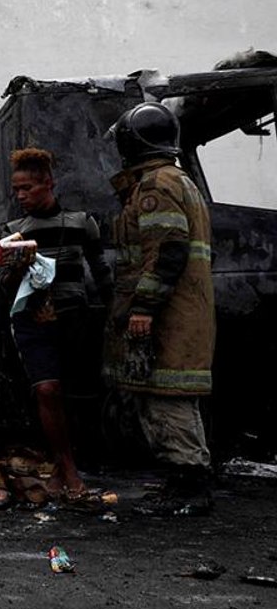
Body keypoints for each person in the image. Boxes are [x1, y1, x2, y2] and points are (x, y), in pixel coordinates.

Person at [105, 102, 215, 516]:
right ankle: (180, 483)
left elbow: (167, 249)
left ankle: (192, 488)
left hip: (169, 315)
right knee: (166, 396)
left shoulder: (156, 186)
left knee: (168, 398)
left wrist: (144, 307)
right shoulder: (179, 179)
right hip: (183, 310)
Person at [0, 148, 113, 500]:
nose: (20, 195)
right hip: (32, 319)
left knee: (76, 394)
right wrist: (16, 266)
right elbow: (6, 285)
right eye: (16, 189)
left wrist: (113, 312)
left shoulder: (82, 223)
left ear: (49, 183)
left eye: (28, 187)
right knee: (46, 390)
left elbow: (101, 271)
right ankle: (68, 468)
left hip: (75, 318)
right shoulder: (14, 231)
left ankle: (66, 465)